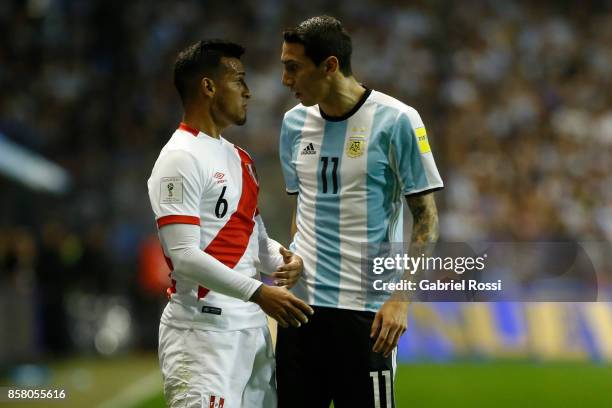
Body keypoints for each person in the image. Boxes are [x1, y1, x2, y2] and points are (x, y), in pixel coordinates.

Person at [277, 16, 443, 408]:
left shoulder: (397, 120)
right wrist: (294, 255)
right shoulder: (293, 124)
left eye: (293, 67)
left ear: (330, 65)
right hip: (300, 309)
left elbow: (427, 219)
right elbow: (302, 207)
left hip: (366, 313)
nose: (285, 79)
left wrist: (401, 298)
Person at [147, 40, 314, 408]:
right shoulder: (179, 157)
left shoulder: (240, 157)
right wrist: (259, 291)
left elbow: (254, 237)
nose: (248, 91)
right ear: (208, 87)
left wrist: (283, 260)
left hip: (252, 335)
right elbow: (183, 256)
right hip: (202, 338)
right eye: (238, 80)